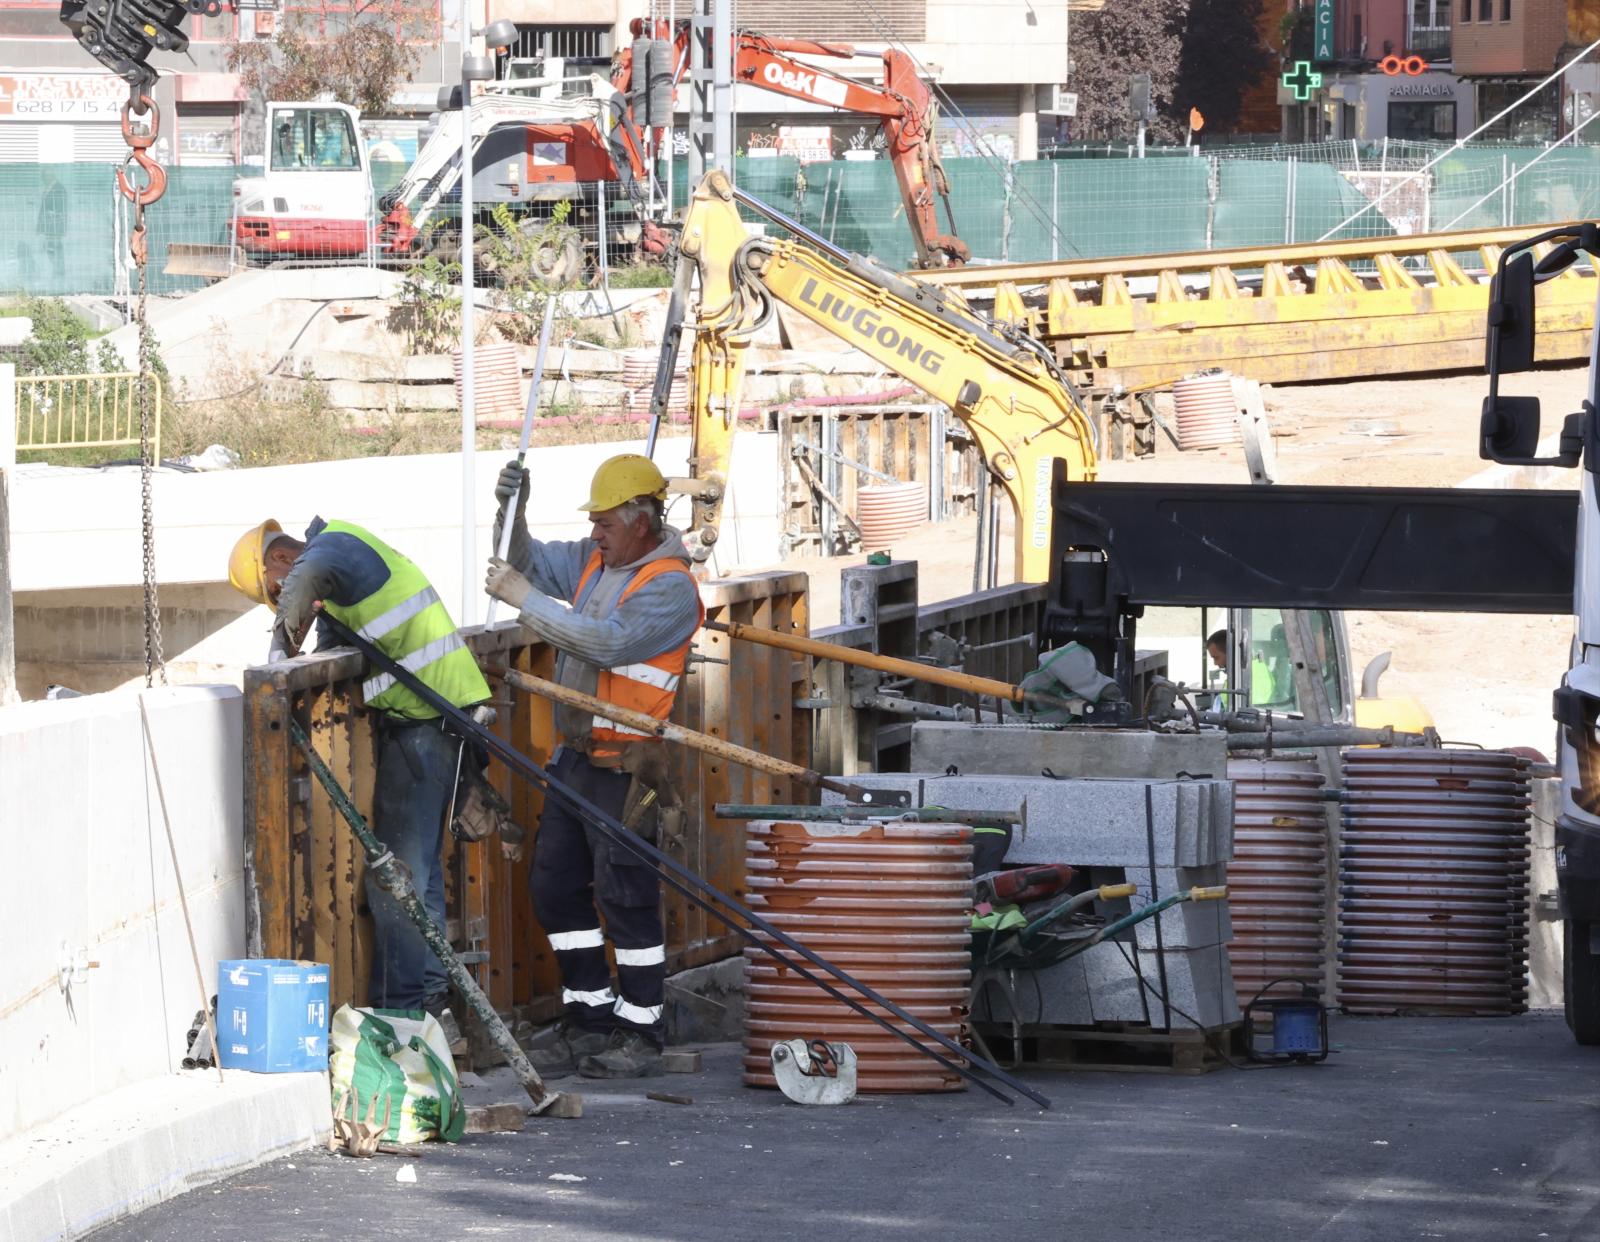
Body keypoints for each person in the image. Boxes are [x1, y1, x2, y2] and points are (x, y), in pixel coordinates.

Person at [484, 454, 703, 1080]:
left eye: (604, 523)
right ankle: (590, 1018)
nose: (595, 534)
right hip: (576, 761)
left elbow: (605, 642)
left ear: (641, 521)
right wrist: (512, 509)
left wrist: (524, 601)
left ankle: (642, 1030)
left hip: (627, 770)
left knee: (626, 899)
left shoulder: (668, 587)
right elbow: (524, 562)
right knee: (555, 889)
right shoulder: (597, 562)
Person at [227, 517, 492, 1030]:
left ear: (281, 561)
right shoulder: (346, 584)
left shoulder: (336, 548)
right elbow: (331, 644)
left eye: (276, 592)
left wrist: (277, 655)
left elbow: (306, 581)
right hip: (434, 721)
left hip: (429, 725)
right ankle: (433, 1006)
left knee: (395, 878)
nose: (286, 603)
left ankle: (400, 1014)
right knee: (423, 875)